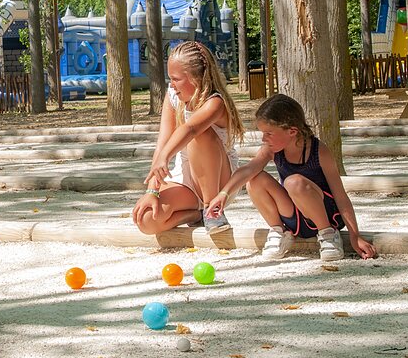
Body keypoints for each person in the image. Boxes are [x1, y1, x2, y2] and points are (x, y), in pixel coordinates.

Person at [208, 94, 377, 262]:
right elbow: (247, 170)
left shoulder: (319, 151)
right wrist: (224, 193)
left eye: (268, 133)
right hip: (294, 219)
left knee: (294, 182)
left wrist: (355, 236)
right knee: (255, 179)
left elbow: (340, 196)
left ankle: (328, 235)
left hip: (322, 215)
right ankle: (280, 232)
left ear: (292, 131)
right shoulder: (271, 149)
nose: (263, 139)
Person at [132, 41, 242, 236]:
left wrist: (165, 156)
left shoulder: (215, 103)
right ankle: (195, 215)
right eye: (169, 79)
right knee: (147, 219)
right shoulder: (173, 96)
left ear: (196, 78)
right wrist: (152, 190)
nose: (172, 85)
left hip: (218, 180)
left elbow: (190, 129)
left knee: (200, 134)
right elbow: (162, 143)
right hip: (186, 178)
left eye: (176, 79)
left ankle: (211, 210)